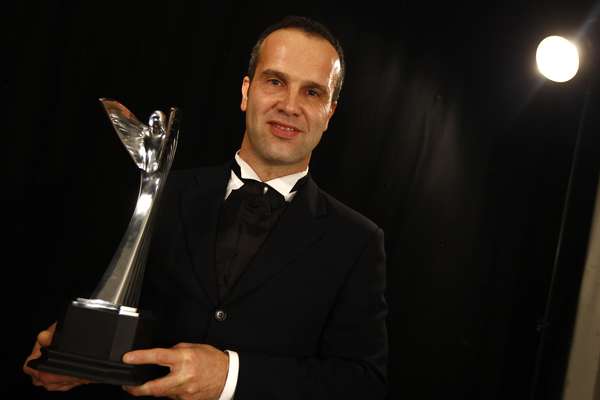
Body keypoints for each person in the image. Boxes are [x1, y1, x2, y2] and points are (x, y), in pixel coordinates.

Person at [23, 15, 388, 399]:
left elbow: (363, 383)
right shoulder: (159, 194)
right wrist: (73, 349)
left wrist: (230, 376)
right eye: (275, 81)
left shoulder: (358, 242)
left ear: (329, 112)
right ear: (246, 91)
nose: (290, 105)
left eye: (312, 92)